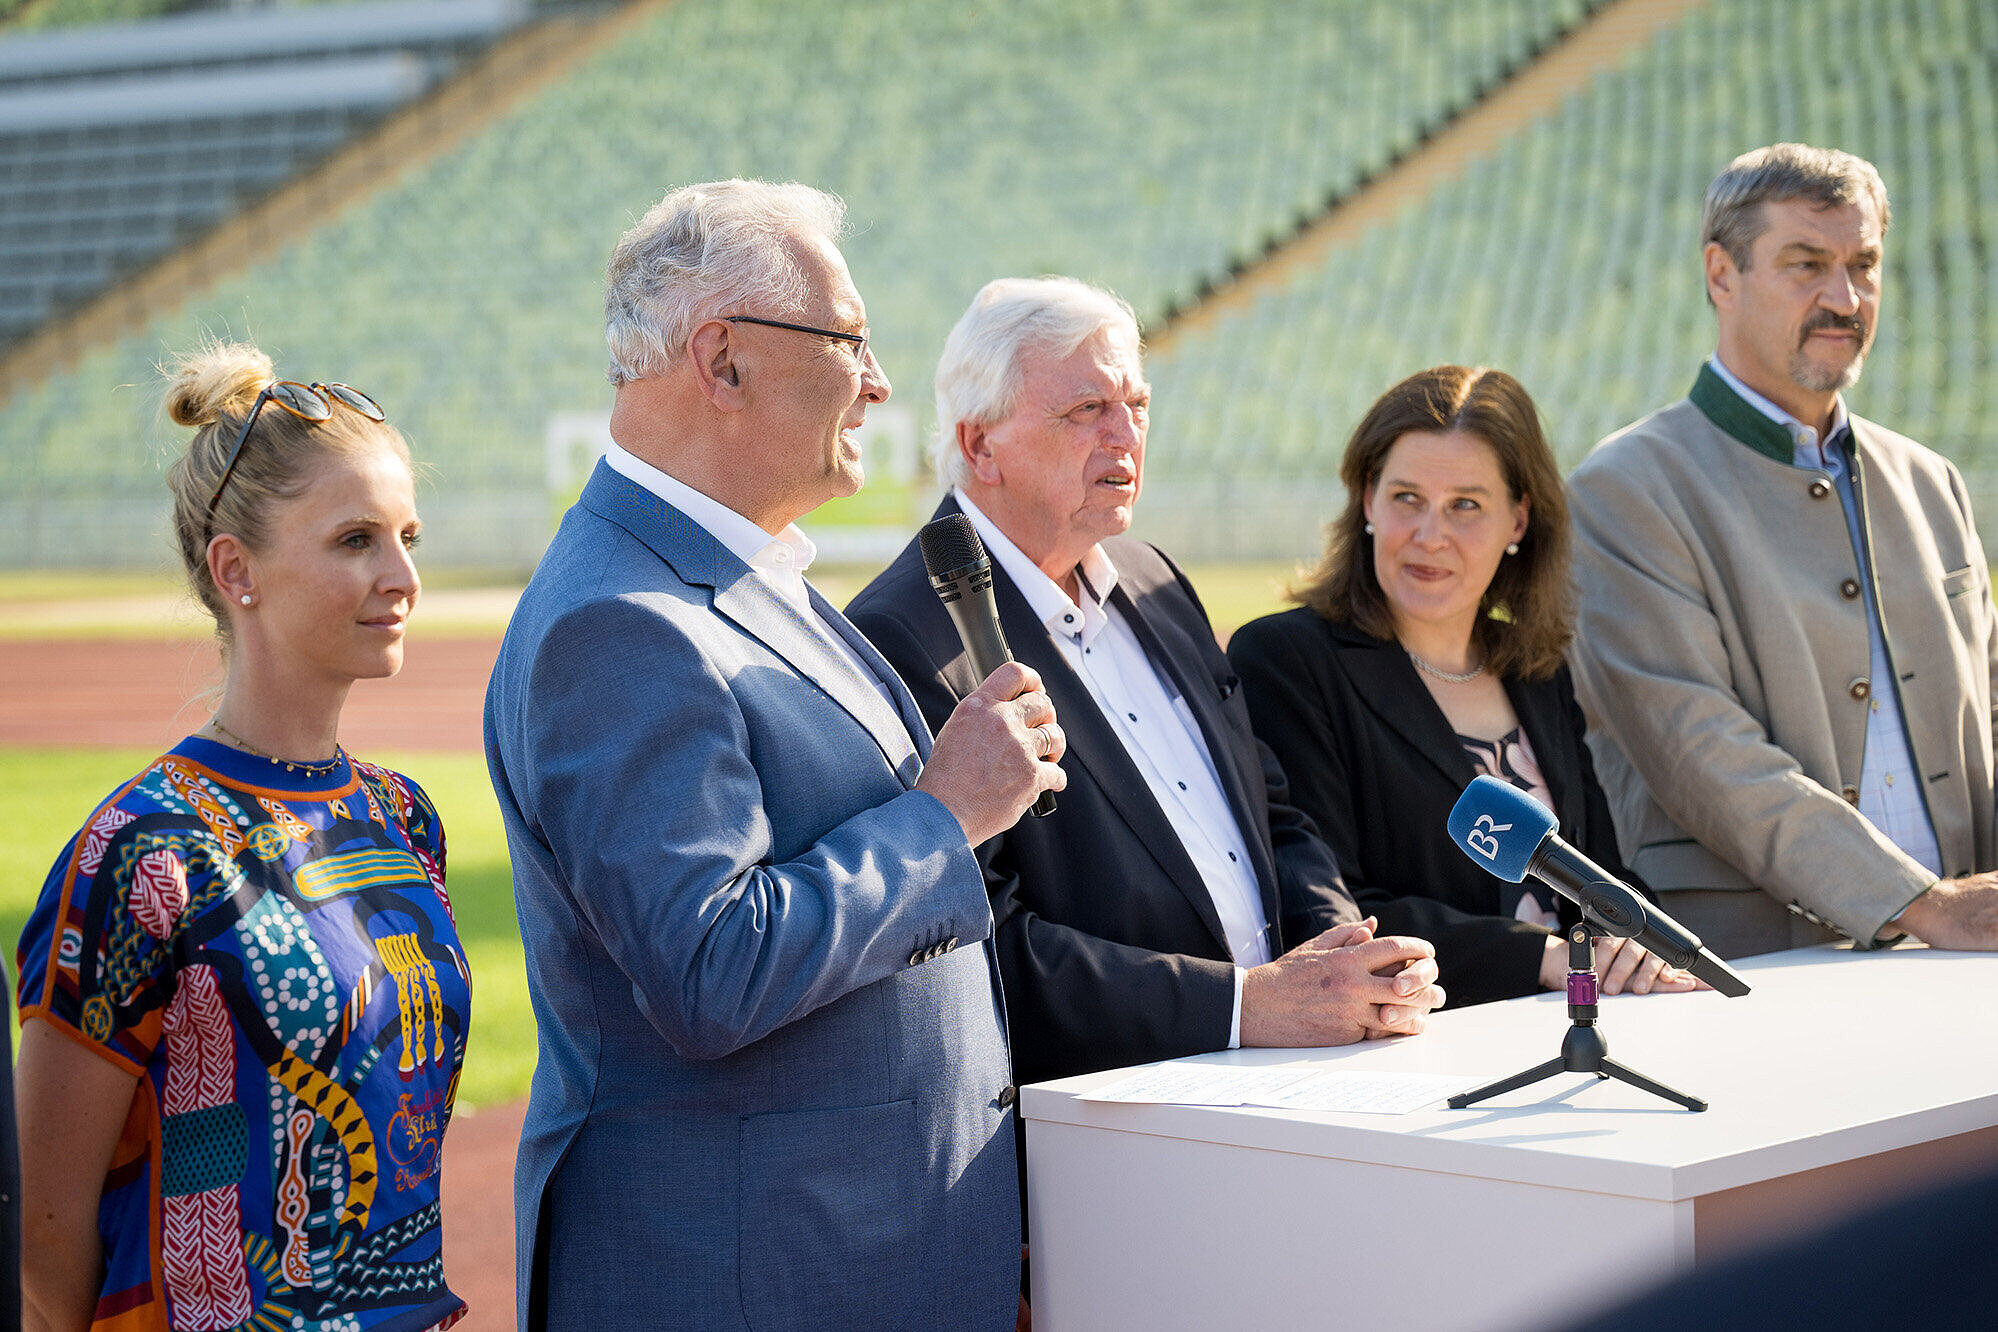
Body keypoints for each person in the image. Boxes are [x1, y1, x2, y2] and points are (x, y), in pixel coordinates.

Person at [483, 182, 1062, 1331]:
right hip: (749, 1275)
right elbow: (711, 969)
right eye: (851, 339)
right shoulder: (622, 622)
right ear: (724, 359)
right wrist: (942, 818)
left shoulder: (743, 573)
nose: (880, 379)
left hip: (841, 1256)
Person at [848, 276, 1445, 1095]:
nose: (1125, 436)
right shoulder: (902, 634)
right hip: (1111, 1128)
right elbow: (982, 946)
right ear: (980, 444)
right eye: (1085, 410)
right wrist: (1248, 1008)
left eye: (1137, 404)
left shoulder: (1155, 580)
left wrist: (1345, 956)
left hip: (1289, 1073)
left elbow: (1270, 815)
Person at [15, 343, 467, 1332]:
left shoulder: (402, 819)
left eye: (408, 537)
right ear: (237, 571)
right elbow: (42, 1235)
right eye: (356, 540)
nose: (402, 576)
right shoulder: (142, 853)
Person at [1568, 143, 1998, 958]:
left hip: (1964, 959)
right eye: (1807, 264)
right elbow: (1702, 752)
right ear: (1720, 276)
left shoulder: (1931, 478)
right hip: (1757, 970)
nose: (1845, 298)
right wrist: (1920, 903)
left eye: (1863, 265)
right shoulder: (1624, 488)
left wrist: (1957, 914)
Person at [1227, 366, 1697, 1006]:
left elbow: (1601, 873)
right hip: (1422, 1030)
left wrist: (1631, 946)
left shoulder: (1537, 671)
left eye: (1465, 506)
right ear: (1368, 500)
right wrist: (1543, 957)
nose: (1429, 535)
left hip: (1584, 1017)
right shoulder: (1288, 659)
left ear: (1519, 522)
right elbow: (1333, 905)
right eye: (1406, 498)